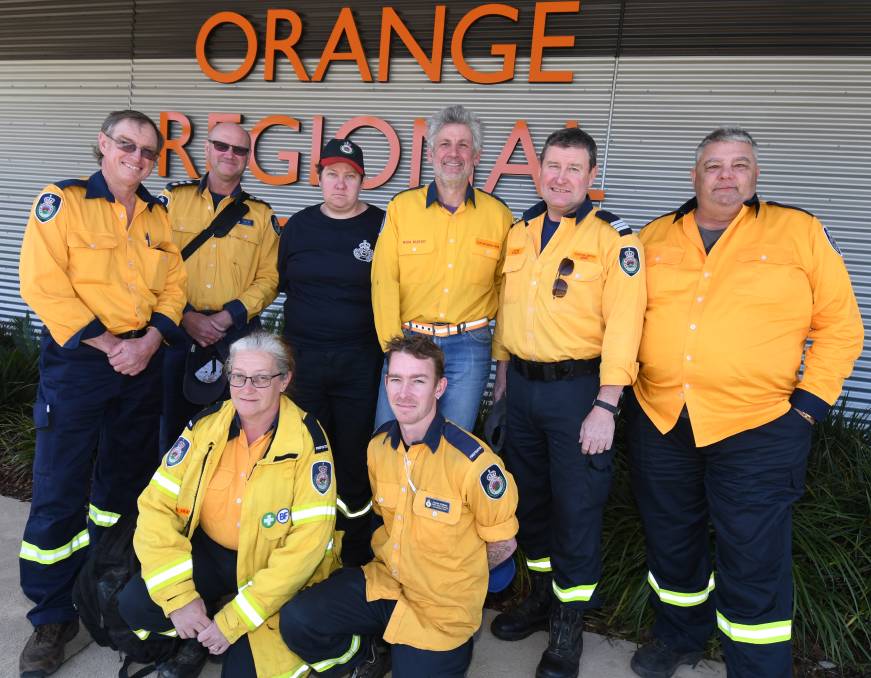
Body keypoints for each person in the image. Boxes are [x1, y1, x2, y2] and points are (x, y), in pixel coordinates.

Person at [627, 128, 863, 678]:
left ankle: (757, 667)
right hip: (661, 418)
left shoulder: (799, 232)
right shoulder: (654, 237)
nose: (726, 176)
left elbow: (841, 327)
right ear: (695, 175)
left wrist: (808, 408)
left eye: (739, 165)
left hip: (758, 426)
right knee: (670, 538)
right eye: (714, 165)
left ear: (755, 175)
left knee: (754, 555)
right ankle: (679, 634)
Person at [17, 109, 186, 677]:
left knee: (123, 484)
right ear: (103, 145)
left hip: (141, 363)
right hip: (82, 363)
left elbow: (174, 285)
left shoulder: (158, 216)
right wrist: (113, 345)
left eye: (147, 152)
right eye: (126, 145)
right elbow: (42, 282)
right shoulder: (61, 202)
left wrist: (152, 340)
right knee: (60, 482)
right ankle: (51, 614)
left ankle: (105, 584)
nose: (136, 158)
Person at [489, 128, 646, 678]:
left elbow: (626, 326)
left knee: (576, 509)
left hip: (580, 393)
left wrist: (607, 404)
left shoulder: (614, 239)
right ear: (540, 170)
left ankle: (569, 623)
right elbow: (508, 315)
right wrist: (503, 384)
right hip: (523, 390)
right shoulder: (520, 231)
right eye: (552, 166)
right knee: (529, 501)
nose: (560, 177)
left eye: (573, 168)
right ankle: (540, 598)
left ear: (591, 176)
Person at [279, 334, 519, 678]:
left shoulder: (474, 464)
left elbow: (504, 543)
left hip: (441, 611)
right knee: (298, 620)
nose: (404, 393)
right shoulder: (378, 448)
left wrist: (459, 581)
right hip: (387, 583)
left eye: (418, 381)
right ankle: (363, 657)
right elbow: (386, 521)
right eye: (396, 379)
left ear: (440, 387)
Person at [118, 331, 340, 678]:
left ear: (284, 381)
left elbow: (306, 548)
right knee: (136, 604)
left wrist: (235, 621)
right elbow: (156, 505)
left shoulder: (308, 442)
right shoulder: (206, 425)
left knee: (246, 672)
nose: (246, 388)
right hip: (212, 553)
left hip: (268, 568)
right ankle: (200, 631)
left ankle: (222, 627)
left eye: (261, 378)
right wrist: (180, 598)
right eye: (238, 376)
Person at [371, 104, 514, 431]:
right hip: (409, 341)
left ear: (476, 156)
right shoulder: (402, 208)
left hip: (470, 348)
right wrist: (392, 347)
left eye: (463, 145)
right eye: (445, 144)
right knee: (391, 438)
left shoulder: (499, 216)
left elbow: (507, 292)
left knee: (453, 444)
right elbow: (383, 281)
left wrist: (501, 356)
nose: (454, 153)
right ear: (432, 153)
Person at [278, 137, 385, 566]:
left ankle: (353, 552)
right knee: (305, 453)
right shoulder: (299, 227)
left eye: (350, 177)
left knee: (354, 457)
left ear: (362, 181)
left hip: (360, 361)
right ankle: (305, 546)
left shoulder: (381, 225)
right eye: (332, 175)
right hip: (303, 361)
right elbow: (284, 282)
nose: (340, 185)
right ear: (318, 178)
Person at [159, 122, 279, 452]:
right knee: (170, 428)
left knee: (231, 431)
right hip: (175, 334)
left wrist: (229, 316)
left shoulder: (262, 214)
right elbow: (153, 265)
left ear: (248, 158)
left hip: (234, 339)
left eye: (239, 150)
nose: (230, 154)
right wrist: (185, 315)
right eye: (222, 146)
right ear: (208, 150)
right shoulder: (172, 201)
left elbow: (269, 279)